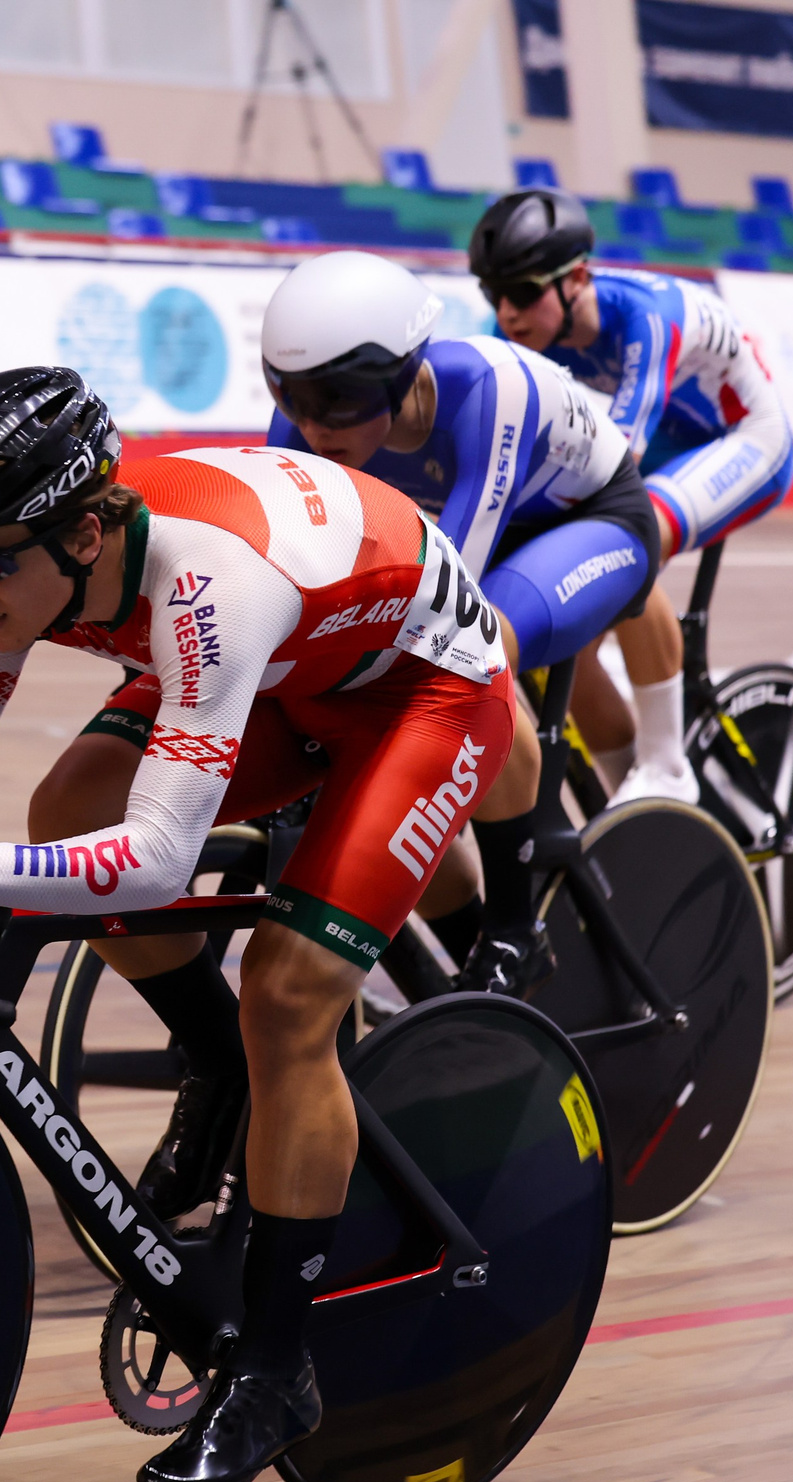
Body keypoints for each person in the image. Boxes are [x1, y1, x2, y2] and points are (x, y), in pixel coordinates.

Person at [0, 368, 524, 1482]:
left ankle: (274, 1372)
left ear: (84, 530)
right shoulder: (20, 550)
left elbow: (149, 858)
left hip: (421, 694)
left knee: (292, 1000)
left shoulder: (207, 586)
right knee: (62, 816)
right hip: (293, 672)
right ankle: (224, 1069)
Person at [258, 248, 661, 994]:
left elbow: (456, 597)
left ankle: (515, 930)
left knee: (478, 644)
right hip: (502, 535)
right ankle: (463, 955)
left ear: (407, 372)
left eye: (340, 400)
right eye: (293, 396)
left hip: (599, 520)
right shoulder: (308, 422)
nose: (313, 425)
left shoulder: (488, 395)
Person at [469, 187, 793, 804]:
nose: (506, 312)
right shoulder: (520, 327)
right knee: (565, 635)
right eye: (494, 293)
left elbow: (618, 456)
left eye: (522, 291)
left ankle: (668, 766)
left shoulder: (645, 316)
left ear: (578, 279)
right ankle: (641, 812)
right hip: (678, 443)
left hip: (747, 437)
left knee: (624, 537)